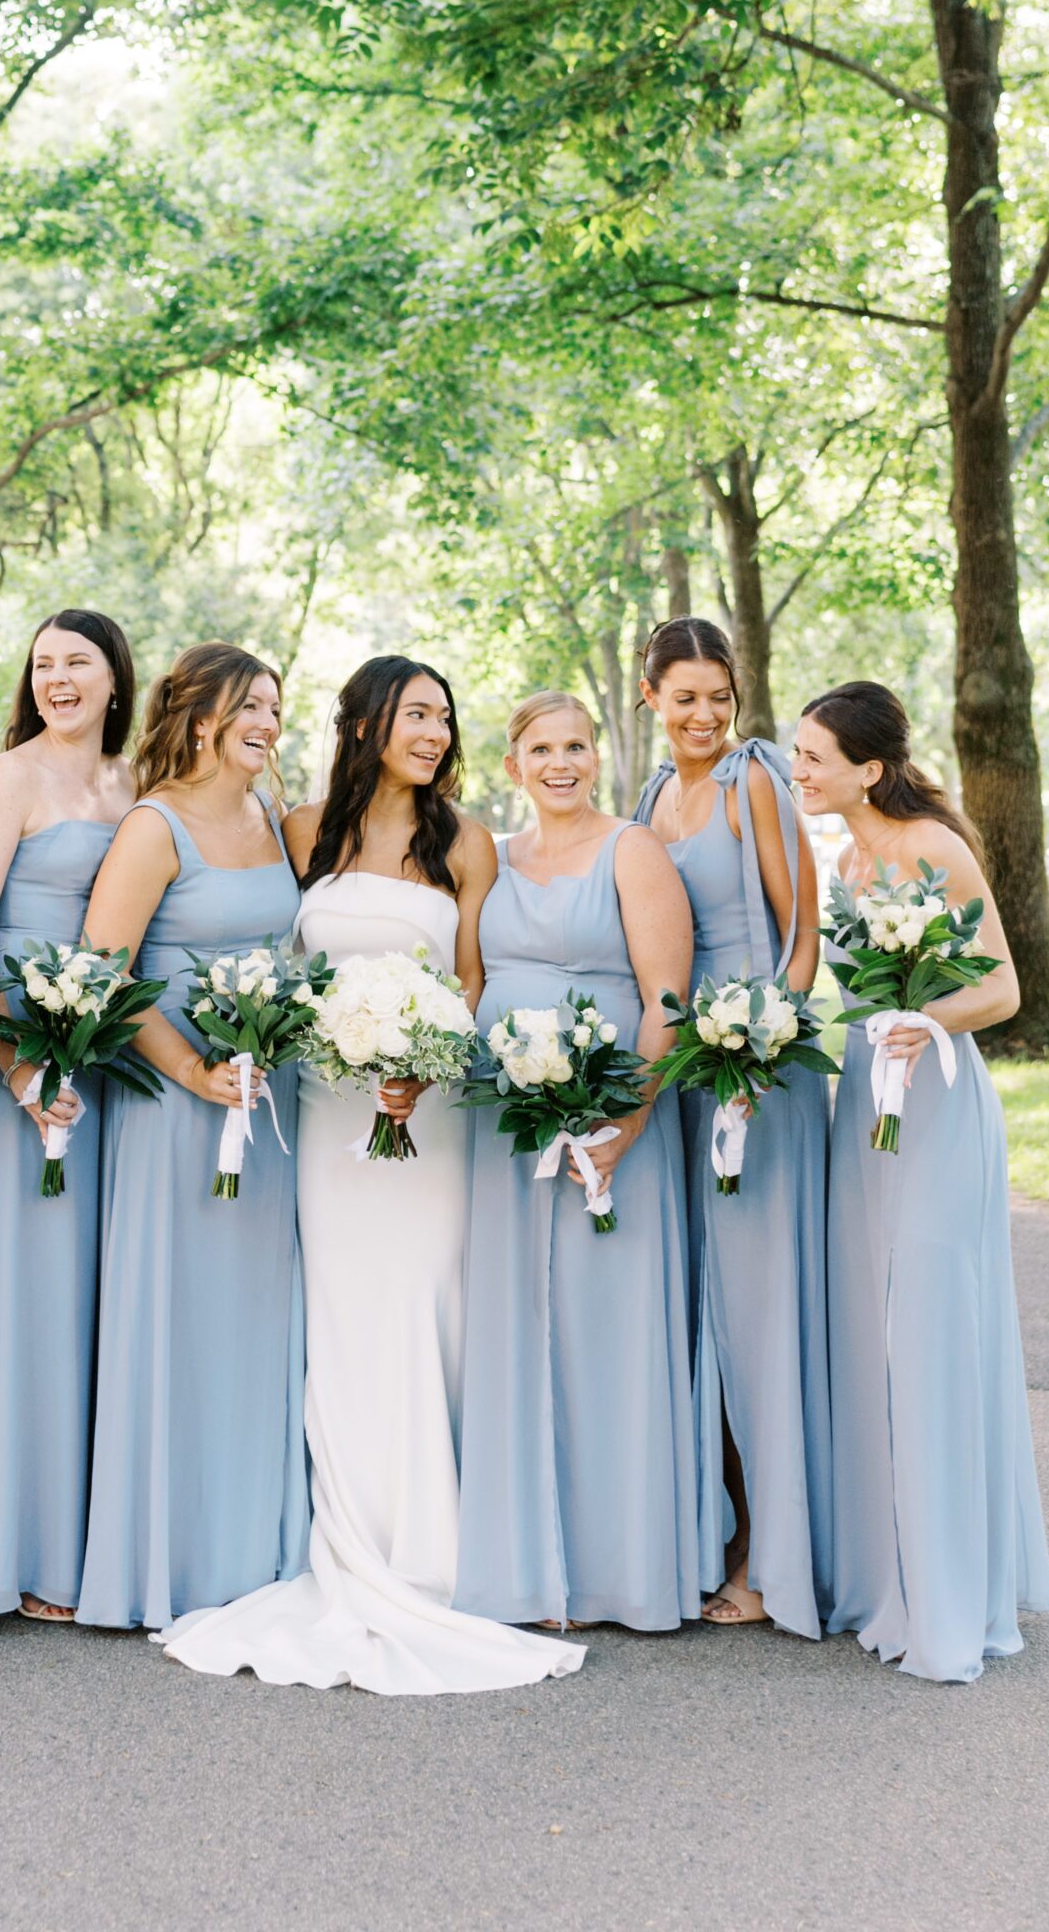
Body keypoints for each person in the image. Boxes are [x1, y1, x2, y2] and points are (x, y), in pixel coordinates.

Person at [160, 656, 583, 1693]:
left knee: (429, 1308)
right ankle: (351, 1541)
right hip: (324, 1115)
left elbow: (472, 977)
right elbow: (265, 959)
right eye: (415, 713)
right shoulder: (300, 832)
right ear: (363, 724)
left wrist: (429, 1067)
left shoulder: (466, 843)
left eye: (445, 715)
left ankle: (433, 1551)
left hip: (425, 1120)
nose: (434, 731)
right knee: (344, 1317)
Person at [794, 681, 1049, 1682]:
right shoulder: (847, 858)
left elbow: (1002, 986)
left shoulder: (931, 847)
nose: (802, 769)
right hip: (866, 1103)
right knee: (876, 1330)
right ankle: (889, 1572)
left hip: (937, 1099)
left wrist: (925, 1022)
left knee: (935, 1329)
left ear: (868, 767)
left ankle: (955, 1596)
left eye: (815, 755)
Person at [455, 693, 700, 1633]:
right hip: (501, 1128)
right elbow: (466, 981)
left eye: (576, 746)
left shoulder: (629, 850)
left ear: (596, 756)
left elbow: (666, 999)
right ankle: (522, 1565)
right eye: (540, 749)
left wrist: (625, 1121)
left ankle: (614, 1569)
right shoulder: (491, 855)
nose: (560, 763)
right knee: (515, 1329)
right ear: (511, 764)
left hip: (606, 1119)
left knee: (605, 1330)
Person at [76, 643, 307, 1630]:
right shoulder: (153, 823)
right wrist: (194, 1071)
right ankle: (168, 1553)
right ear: (203, 715)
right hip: (176, 1109)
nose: (267, 722)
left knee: (261, 1322)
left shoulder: (275, 820)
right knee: (180, 1318)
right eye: (251, 706)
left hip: (270, 1102)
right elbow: (105, 969)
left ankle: (259, 1547)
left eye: (274, 709)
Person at [0, 610, 135, 1622]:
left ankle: (84, 1541)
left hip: (112, 1072)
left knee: (91, 1302)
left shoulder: (135, 784)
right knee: (27, 1302)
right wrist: (16, 1068)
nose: (57, 679)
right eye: (43, 664)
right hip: (21, 1078)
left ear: (113, 676)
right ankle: (12, 1549)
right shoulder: (8, 778)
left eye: (77, 662)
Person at [634, 616, 831, 1637]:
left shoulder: (755, 778)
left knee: (761, 1313)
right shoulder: (647, 798)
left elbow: (800, 931)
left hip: (757, 1075)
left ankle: (770, 1558)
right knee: (698, 1310)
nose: (704, 714)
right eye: (685, 696)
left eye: (719, 695)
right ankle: (709, 1531)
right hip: (680, 1077)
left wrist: (760, 1041)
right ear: (650, 695)